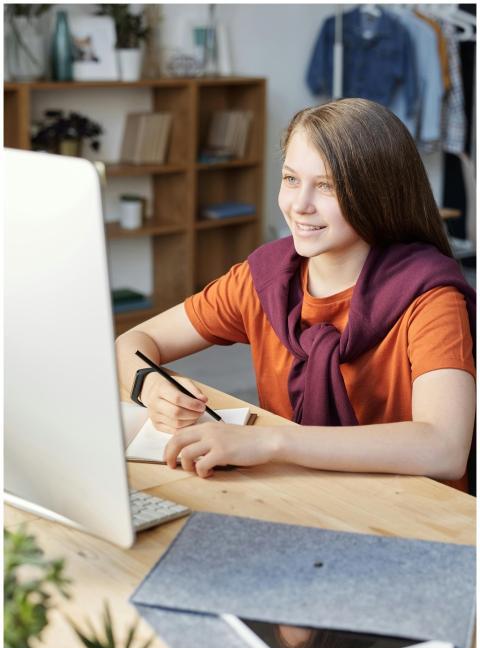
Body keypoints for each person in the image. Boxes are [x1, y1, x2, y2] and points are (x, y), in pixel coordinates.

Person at [115, 98, 475, 491]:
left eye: (327, 186)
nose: (299, 205)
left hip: (414, 514)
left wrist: (270, 441)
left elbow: (444, 446)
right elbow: (133, 342)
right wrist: (150, 385)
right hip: (298, 493)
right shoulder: (265, 278)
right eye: (290, 179)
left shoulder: (430, 297)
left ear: (377, 193)